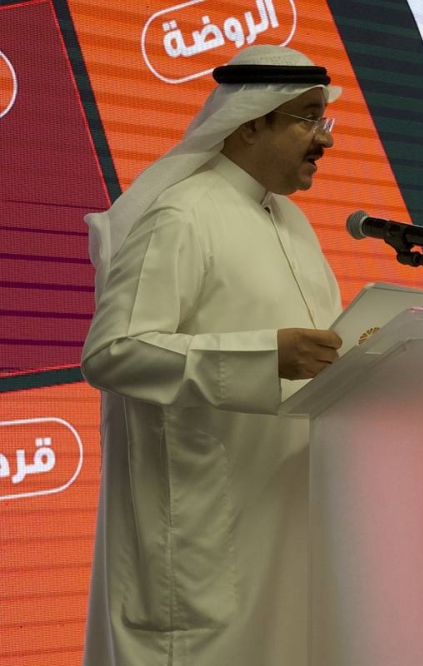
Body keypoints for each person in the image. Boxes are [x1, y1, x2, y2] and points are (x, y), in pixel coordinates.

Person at [80, 45, 345, 665]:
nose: (326, 139)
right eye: (308, 119)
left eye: (324, 119)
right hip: (204, 530)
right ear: (249, 123)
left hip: (285, 514)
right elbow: (113, 352)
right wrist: (265, 357)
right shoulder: (182, 214)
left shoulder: (292, 223)